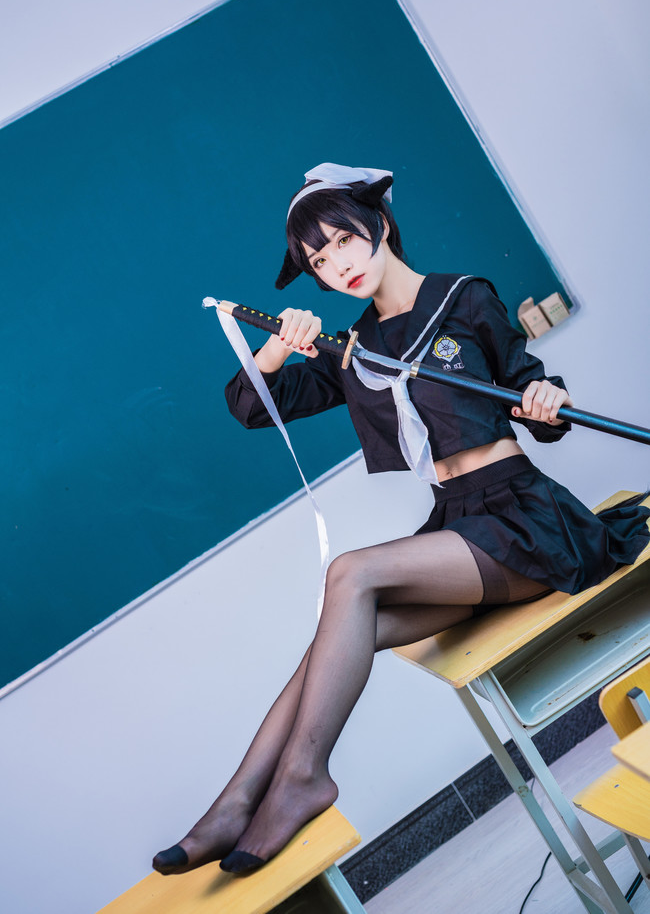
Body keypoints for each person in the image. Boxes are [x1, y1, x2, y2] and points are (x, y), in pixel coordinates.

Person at [152, 163, 649, 876]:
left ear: (379, 225)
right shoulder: (352, 350)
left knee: (349, 573)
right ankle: (237, 801)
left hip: (525, 523)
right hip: (458, 528)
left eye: (343, 241)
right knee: (350, 624)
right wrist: (280, 343)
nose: (338, 265)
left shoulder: (464, 296)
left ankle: (301, 778)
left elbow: (528, 388)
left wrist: (544, 398)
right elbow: (253, 406)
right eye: (319, 262)